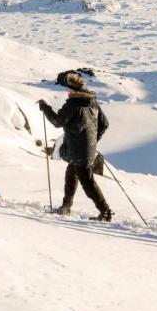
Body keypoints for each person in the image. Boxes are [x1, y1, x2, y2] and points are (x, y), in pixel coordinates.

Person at [38, 72, 113, 221]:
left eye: (67, 88)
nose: (67, 91)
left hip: (78, 150)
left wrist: (45, 108)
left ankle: (105, 212)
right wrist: (92, 140)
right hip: (84, 149)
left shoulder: (73, 104)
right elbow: (104, 124)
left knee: (87, 182)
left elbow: (57, 121)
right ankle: (66, 207)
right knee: (71, 175)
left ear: (72, 89)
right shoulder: (92, 101)